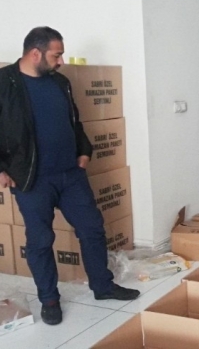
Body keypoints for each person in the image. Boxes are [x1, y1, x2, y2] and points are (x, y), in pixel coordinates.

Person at [0, 27, 140, 326]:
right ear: (35, 53)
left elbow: (74, 121)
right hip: (32, 179)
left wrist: (84, 151)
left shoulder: (60, 82)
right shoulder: (4, 83)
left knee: (92, 228)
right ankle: (49, 299)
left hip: (70, 174)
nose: (61, 61)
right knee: (40, 240)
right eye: (56, 55)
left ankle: (102, 286)